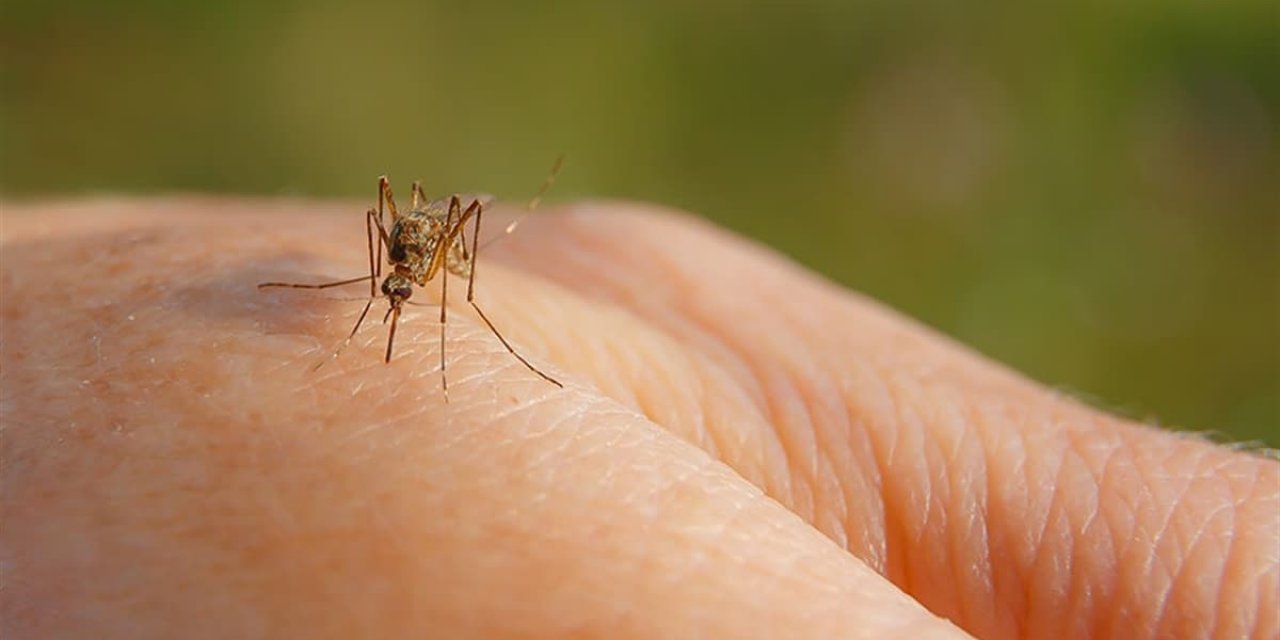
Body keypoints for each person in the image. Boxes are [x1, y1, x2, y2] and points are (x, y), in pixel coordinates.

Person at [3, 199, 1276, 639]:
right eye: (393, 284)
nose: (394, 298)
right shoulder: (385, 265)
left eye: (398, 284)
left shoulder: (436, 259)